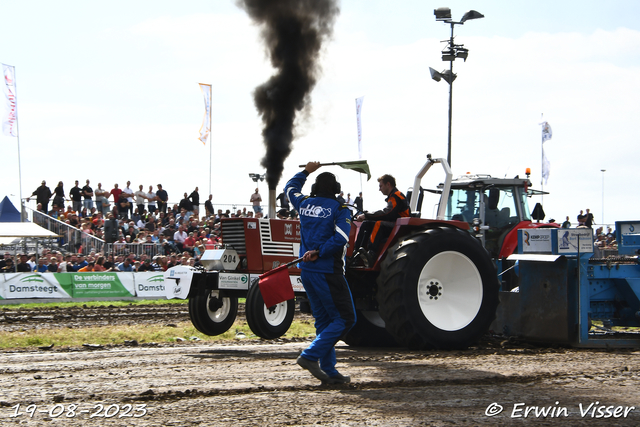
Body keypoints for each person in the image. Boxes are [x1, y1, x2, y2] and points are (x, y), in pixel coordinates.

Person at [285, 161, 355, 385]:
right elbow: (342, 238)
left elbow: (290, 188)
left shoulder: (303, 203)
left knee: (324, 321)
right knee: (345, 318)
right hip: (328, 271)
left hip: (307, 271)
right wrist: (320, 252)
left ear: (314, 187)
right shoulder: (341, 209)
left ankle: (329, 371)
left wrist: (306, 171)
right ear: (336, 189)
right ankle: (310, 356)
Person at [355, 174, 410, 266]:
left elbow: (387, 213)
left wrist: (367, 215)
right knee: (366, 224)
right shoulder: (393, 196)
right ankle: (356, 253)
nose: (379, 189)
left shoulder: (396, 196)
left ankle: (371, 254)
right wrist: (367, 217)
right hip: (394, 223)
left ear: (388, 184)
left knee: (379, 224)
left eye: (381, 186)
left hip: (400, 226)